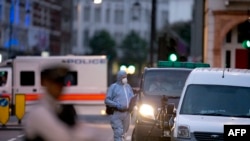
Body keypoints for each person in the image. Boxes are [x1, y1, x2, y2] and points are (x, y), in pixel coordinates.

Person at [23, 64, 101, 141]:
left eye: (61, 83)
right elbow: (64, 138)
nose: (59, 87)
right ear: (45, 82)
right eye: (55, 82)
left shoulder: (57, 109)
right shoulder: (39, 112)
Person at [105, 70, 135, 141]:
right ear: (119, 77)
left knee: (123, 134)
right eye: (123, 77)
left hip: (127, 114)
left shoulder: (128, 87)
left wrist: (133, 103)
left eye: (125, 77)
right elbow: (107, 100)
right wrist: (117, 105)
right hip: (116, 113)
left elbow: (132, 97)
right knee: (118, 133)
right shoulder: (113, 87)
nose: (125, 78)